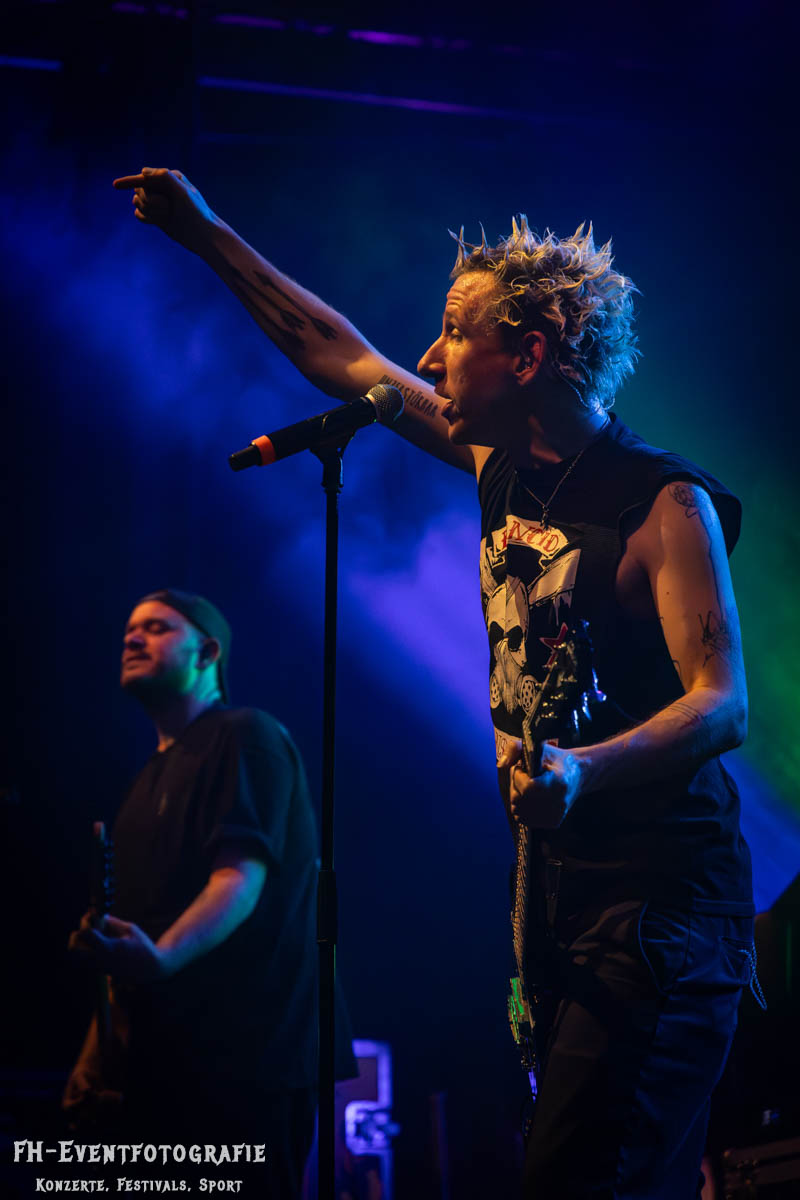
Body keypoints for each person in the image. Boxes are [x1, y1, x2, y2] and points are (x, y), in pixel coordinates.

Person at [112, 169, 756, 1198]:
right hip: (561, 898)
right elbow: (342, 356)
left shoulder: (661, 502)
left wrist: (584, 772)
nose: (425, 358)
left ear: (528, 355)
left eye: (454, 333)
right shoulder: (500, 464)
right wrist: (208, 234)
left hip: (662, 907)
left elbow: (720, 703)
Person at [65, 589, 321, 1198]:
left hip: (245, 1064)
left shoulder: (245, 735)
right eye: (129, 630)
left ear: (207, 653)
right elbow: (131, 939)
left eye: (156, 628)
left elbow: (239, 878)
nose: (131, 638)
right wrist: (98, 1051)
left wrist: (160, 960)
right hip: (165, 1066)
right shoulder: (144, 781)